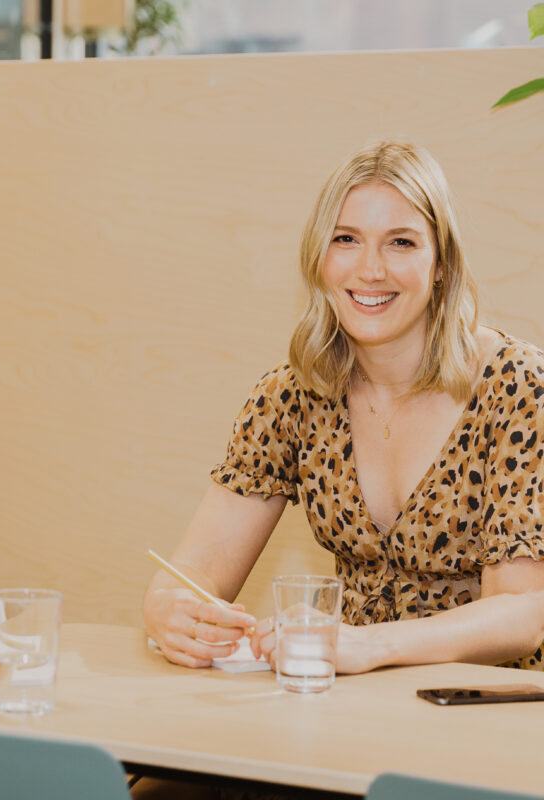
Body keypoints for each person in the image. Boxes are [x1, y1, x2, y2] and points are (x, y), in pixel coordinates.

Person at [143, 141, 544, 676]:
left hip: (491, 718)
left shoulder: (518, 388)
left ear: (442, 263)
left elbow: (521, 614)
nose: (370, 268)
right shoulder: (291, 396)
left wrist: (369, 645)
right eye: (346, 240)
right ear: (319, 257)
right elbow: (194, 570)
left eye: (401, 242)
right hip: (349, 711)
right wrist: (167, 607)